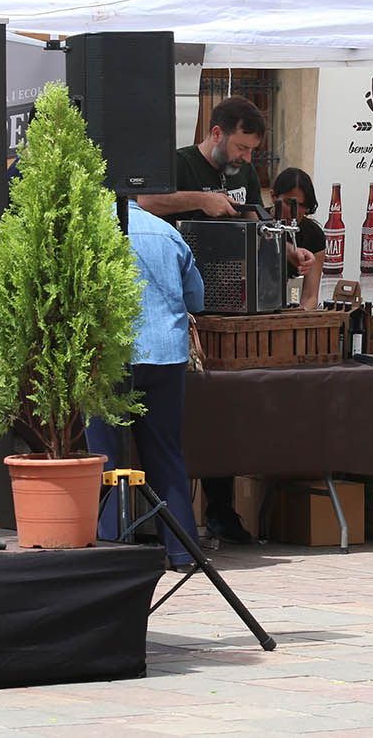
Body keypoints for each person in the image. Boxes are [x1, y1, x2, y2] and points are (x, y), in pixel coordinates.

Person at [138, 97, 311, 545]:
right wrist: (202, 200)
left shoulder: (246, 174)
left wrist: (290, 254)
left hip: (235, 309)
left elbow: (257, 220)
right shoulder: (178, 163)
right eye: (240, 147)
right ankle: (164, 520)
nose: (246, 158)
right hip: (185, 308)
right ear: (216, 134)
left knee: (224, 417)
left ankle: (221, 510)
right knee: (178, 425)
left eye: (252, 151)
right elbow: (144, 202)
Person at [84, 201, 206, 571]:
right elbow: (196, 297)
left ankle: (112, 552)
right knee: (166, 454)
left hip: (109, 356)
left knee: (106, 459)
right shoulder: (166, 232)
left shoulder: (87, 228)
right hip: (165, 357)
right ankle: (183, 551)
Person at [272, 167, 325, 307]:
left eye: (302, 205)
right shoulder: (258, 226)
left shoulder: (314, 234)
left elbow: (310, 296)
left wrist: (299, 316)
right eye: (289, 203)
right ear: (273, 197)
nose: (295, 212)